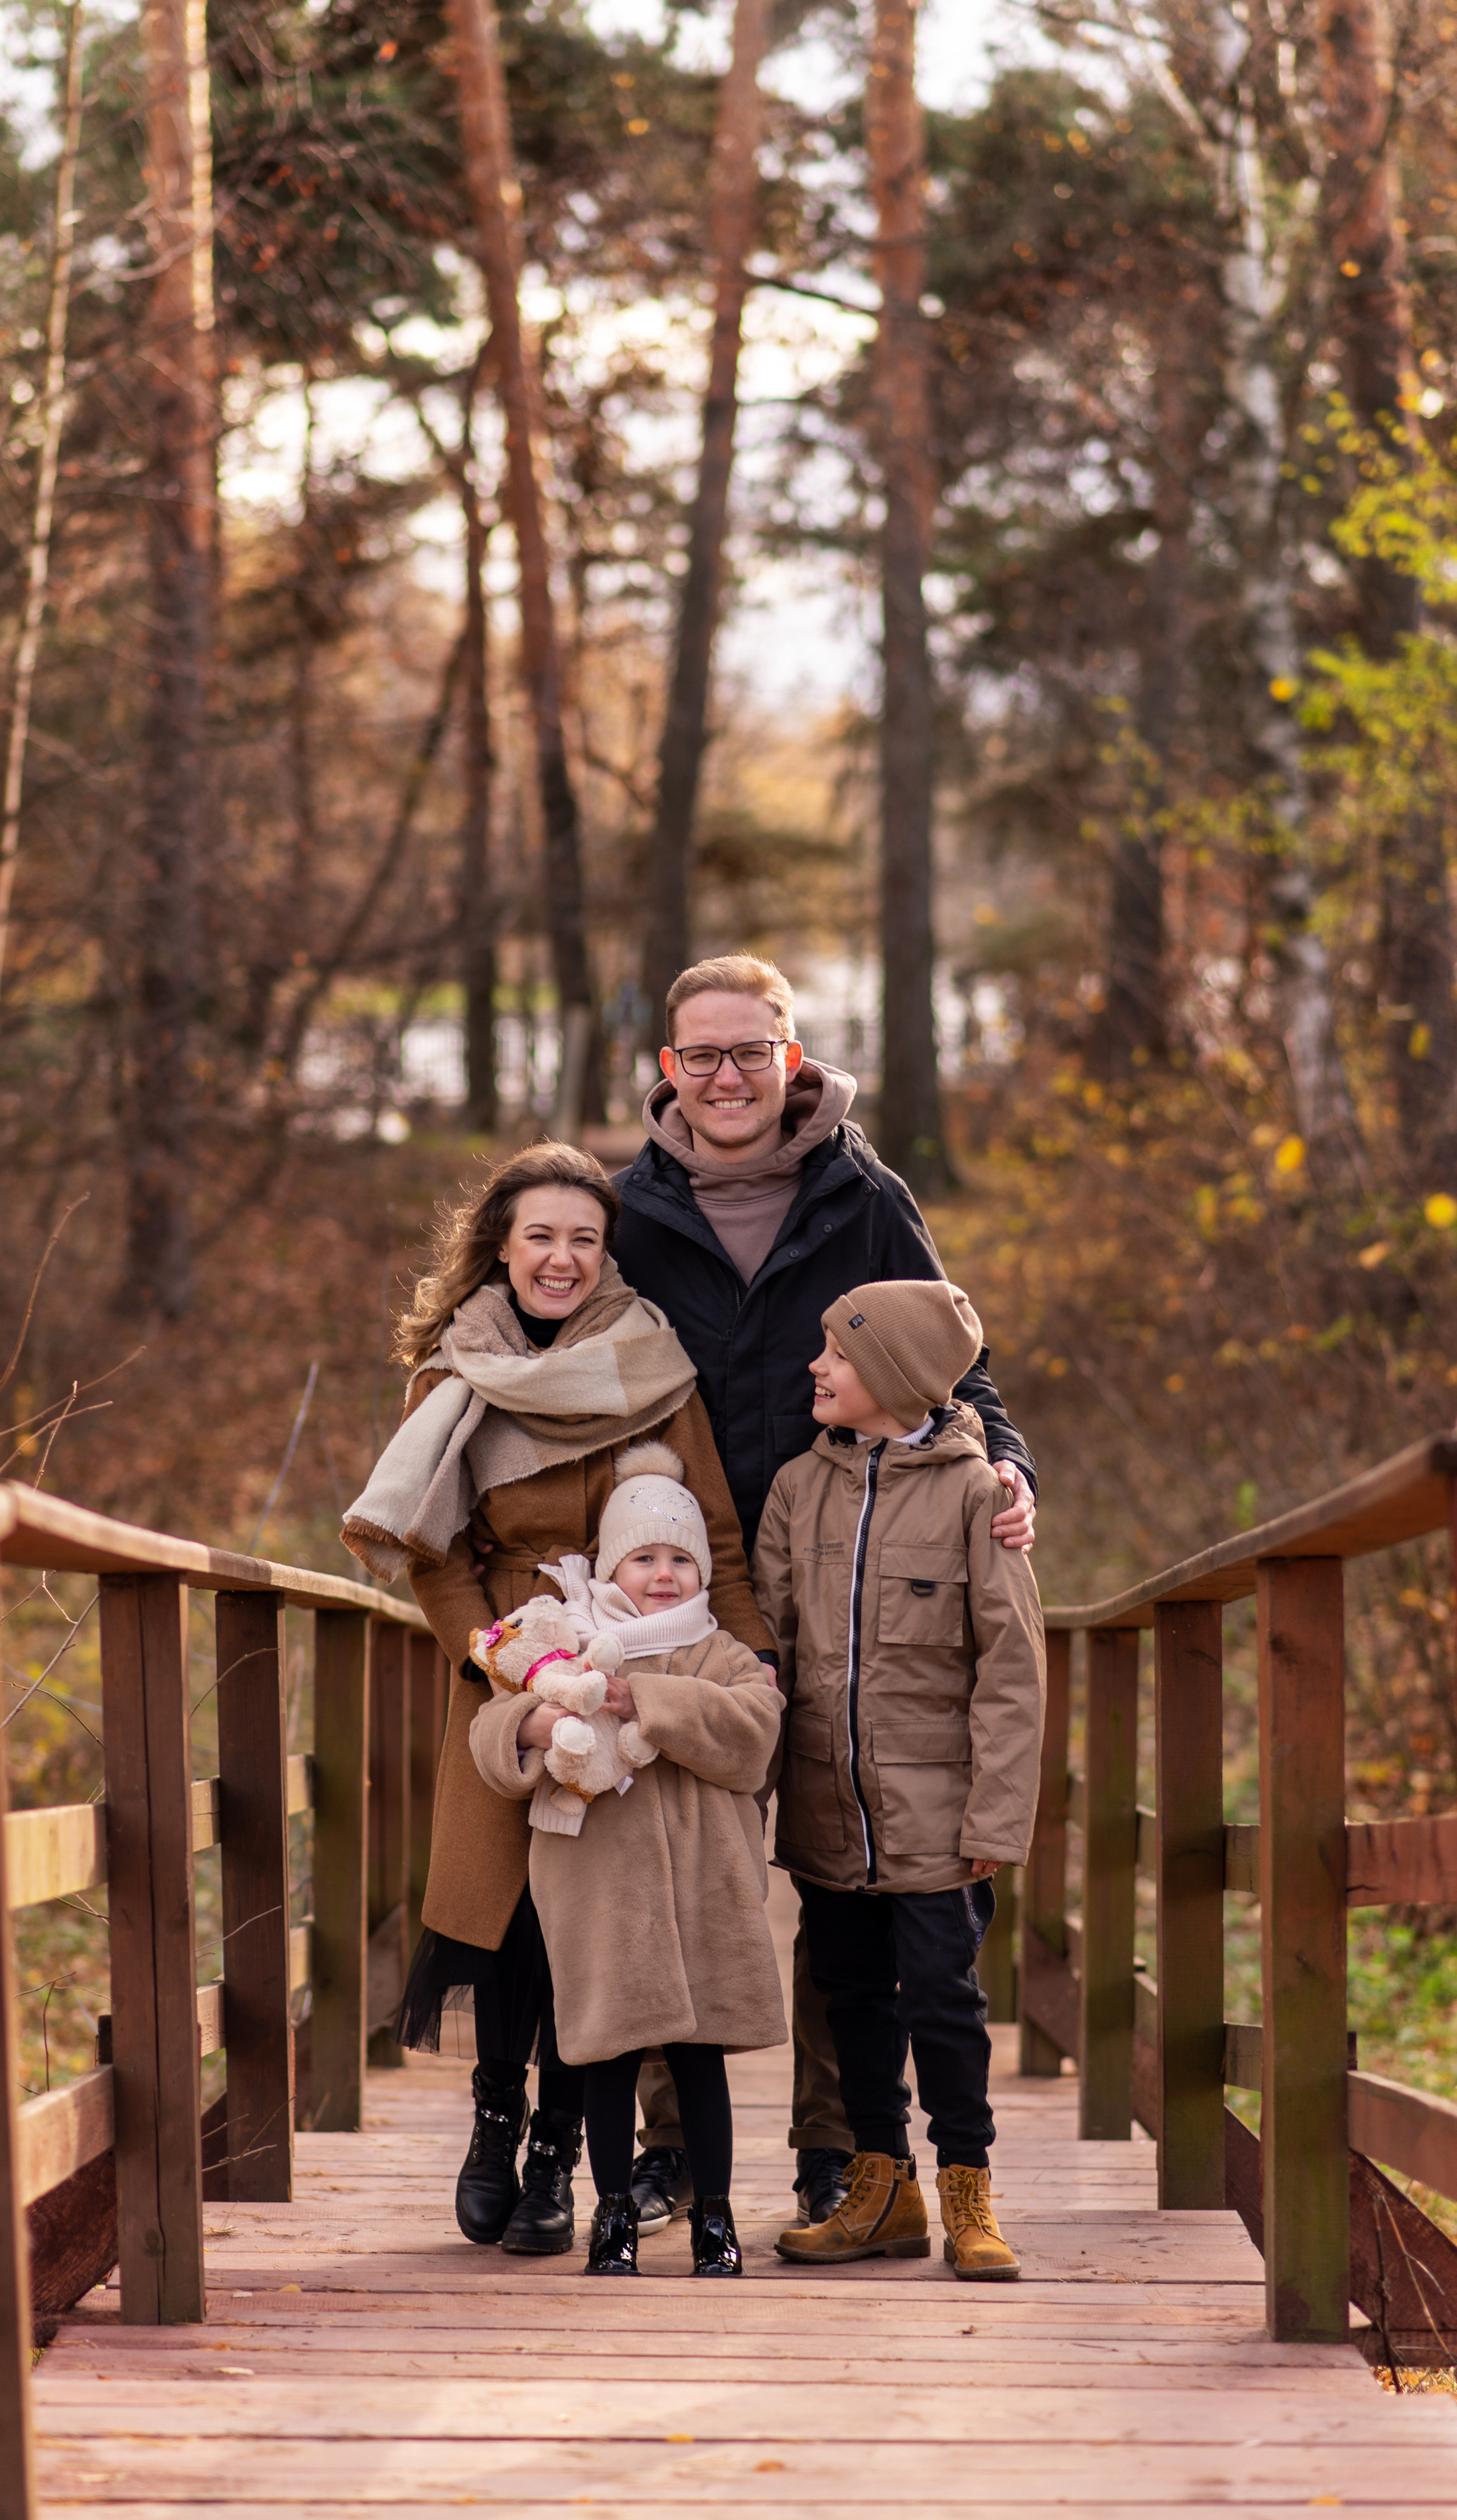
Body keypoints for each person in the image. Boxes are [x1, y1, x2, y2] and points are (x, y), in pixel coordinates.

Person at [612, 951, 1040, 2233]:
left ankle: (845, 2152)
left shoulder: (863, 1196)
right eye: (705, 1054)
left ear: (792, 1059)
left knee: (842, 1870)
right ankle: (673, 2144)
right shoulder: (628, 1207)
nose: (730, 1076)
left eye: (754, 1051)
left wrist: (1006, 1464)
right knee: (679, 1861)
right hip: (681, 1584)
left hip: (850, 1559)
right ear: (671, 1068)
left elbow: (953, 1359)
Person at [342, 1142, 770, 2259]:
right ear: (501, 1244)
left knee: (597, 1920)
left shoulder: (654, 1366)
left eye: (585, 1237)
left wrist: (752, 1672)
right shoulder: (453, 1379)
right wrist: (514, 1666)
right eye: (541, 1234)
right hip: (519, 1672)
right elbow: (438, 1557)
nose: (563, 1257)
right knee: (517, 1920)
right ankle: (498, 2121)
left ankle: (558, 2157)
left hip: (638, 1674)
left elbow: (714, 1540)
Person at [752, 1278, 1044, 2277]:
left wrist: (997, 1813)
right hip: (829, 1803)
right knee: (850, 1997)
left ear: (894, 1373)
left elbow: (1013, 1666)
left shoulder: (979, 1493)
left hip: (939, 1813)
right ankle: (883, 2186)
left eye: (836, 1353)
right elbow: (769, 1651)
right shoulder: (798, 1487)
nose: (816, 1367)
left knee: (942, 1997)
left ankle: (969, 2183)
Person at [467, 1446, 785, 2275]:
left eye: (681, 1557)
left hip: (699, 1894)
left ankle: (715, 2216)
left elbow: (753, 1733)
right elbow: (492, 1733)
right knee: (604, 2051)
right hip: (600, 1895)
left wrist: (642, 1696)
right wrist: (536, 1727)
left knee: (697, 2059)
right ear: (612, 1564)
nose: (665, 1574)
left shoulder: (717, 1652)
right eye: (644, 1557)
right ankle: (611, 2214)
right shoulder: (567, 1639)